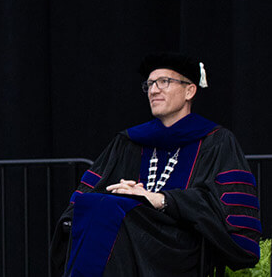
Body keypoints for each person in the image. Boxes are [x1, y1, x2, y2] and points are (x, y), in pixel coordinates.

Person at [51, 53, 262, 276]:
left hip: (181, 248)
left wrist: (162, 199)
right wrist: (125, 193)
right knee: (94, 204)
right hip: (133, 241)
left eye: (164, 82)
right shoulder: (129, 141)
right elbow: (85, 198)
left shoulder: (216, 141)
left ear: (189, 91)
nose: (153, 90)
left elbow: (218, 207)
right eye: (150, 84)